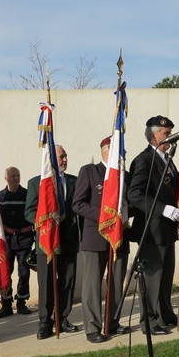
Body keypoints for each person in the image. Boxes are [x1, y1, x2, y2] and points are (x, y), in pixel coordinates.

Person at [126, 116, 179, 335]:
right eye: (166, 133)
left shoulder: (167, 158)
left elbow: (169, 183)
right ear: (153, 136)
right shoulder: (143, 160)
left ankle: (165, 314)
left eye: (171, 132)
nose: (170, 137)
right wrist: (163, 209)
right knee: (153, 278)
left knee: (165, 276)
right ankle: (149, 321)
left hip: (167, 229)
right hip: (151, 229)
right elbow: (134, 194)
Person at [72, 137, 131, 343]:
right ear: (104, 150)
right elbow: (77, 204)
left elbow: (129, 202)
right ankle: (92, 327)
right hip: (95, 236)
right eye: (115, 148)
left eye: (122, 149)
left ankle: (111, 322)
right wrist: (104, 217)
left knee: (116, 282)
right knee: (92, 285)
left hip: (119, 238)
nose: (120, 153)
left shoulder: (125, 176)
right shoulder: (89, 171)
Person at [25, 145, 80, 339]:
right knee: (46, 285)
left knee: (67, 283)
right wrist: (46, 221)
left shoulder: (75, 181)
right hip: (46, 243)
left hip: (69, 241)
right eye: (60, 157)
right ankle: (44, 323)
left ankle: (62, 319)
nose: (64, 160)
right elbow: (29, 211)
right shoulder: (35, 183)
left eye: (65, 156)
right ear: (51, 161)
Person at [0, 167, 34, 317]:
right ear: (6, 178)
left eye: (18, 175)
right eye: (12, 176)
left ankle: (22, 302)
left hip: (25, 238)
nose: (16, 178)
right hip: (7, 240)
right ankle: (6, 304)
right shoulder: (0, 197)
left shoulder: (27, 195)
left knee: (24, 272)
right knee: (6, 272)